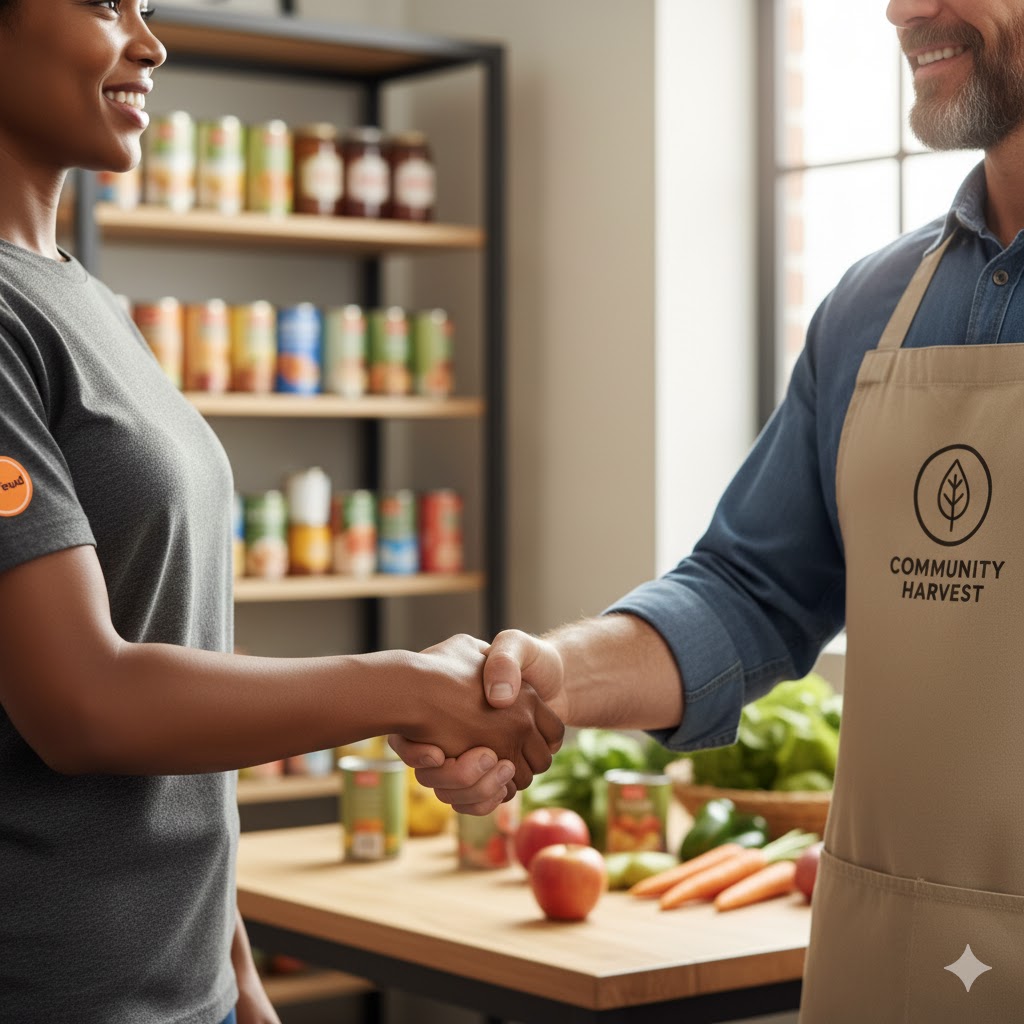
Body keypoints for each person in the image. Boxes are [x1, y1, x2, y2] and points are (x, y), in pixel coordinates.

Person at [395, 1, 1024, 1020]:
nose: (903, 7)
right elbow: (751, 592)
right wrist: (547, 677)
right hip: (895, 962)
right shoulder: (868, 309)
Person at [0, 3, 562, 1023]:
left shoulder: (78, 296)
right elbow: (81, 703)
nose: (149, 42)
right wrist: (402, 684)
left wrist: (236, 973)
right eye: (100, 3)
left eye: (150, 9)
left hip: (185, 988)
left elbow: (170, 655)